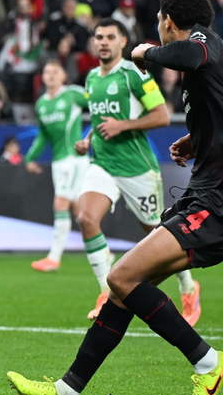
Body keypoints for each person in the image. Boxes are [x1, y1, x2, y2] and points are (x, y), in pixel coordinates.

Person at [8, 0, 223, 395]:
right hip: (203, 194)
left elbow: (190, 54)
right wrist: (195, 138)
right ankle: (65, 393)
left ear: (167, 21)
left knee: (120, 277)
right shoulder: (205, 59)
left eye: (158, 21)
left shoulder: (203, 44)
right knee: (125, 290)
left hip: (215, 202)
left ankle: (208, 365)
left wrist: (145, 52)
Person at [72, 18, 200, 322]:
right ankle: (105, 291)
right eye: (99, 37)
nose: (103, 42)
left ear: (122, 42)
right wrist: (88, 139)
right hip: (103, 164)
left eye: (110, 37)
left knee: (158, 235)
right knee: (86, 218)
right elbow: (100, 118)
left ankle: (188, 286)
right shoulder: (92, 78)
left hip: (136, 168)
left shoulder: (134, 74)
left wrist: (123, 126)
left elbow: (162, 116)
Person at [25, 60, 89, 272]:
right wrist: (30, 157)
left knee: (60, 203)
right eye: (46, 72)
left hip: (74, 158)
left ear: (63, 76)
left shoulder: (73, 94)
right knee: (80, 211)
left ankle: (54, 258)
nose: (50, 75)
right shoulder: (41, 104)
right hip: (58, 161)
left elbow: (98, 102)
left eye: (55, 71)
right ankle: (103, 250)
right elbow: (43, 135)